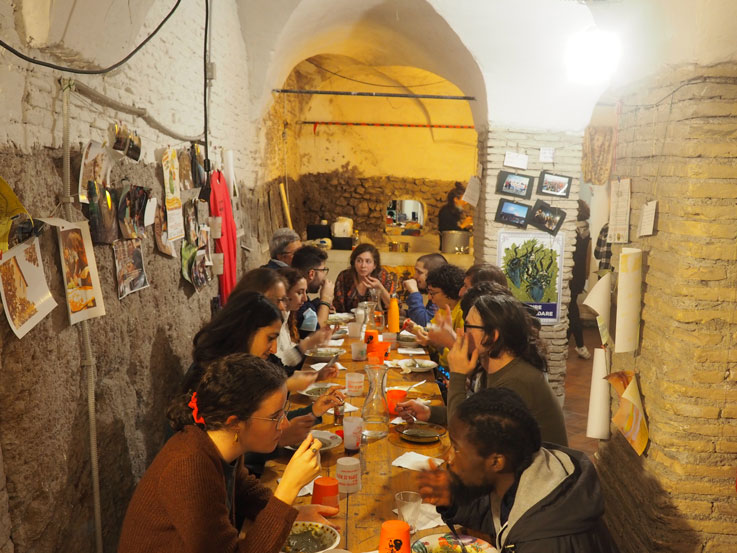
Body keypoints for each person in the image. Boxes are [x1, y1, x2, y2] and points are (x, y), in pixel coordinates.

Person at [118, 354, 337, 553]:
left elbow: (244, 491)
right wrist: (288, 490)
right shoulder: (189, 466)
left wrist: (293, 514)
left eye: (284, 413)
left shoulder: (219, 443)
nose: (284, 424)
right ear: (235, 423)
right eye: (275, 417)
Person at [417, 388, 618, 553]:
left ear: (496, 462)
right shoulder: (520, 475)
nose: (448, 458)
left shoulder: (546, 543)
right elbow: (499, 516)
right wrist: (453, 499)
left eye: (457, 448)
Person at [399, 291, 567, 446]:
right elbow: (476, 417)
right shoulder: (492, 364)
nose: (461, 333)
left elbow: (464, 436)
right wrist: (429, 413)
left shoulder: (516, 380)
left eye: (468, 327)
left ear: (493, 335)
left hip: (536, 474)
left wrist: (458, 374)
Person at [181, 291, 343, 451]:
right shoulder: (214, 377)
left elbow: (262, 422)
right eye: (270, 338)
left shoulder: (242, 368)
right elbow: (229, 453)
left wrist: (313, 412)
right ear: (244, 333)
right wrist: (281, 439)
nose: (273, 349)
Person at [230, 270, 336, 383]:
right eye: (278, 300)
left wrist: (316, 376)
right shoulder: (241, 341)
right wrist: (308, 343)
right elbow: (273, 373)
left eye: (283, 300)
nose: (282, 306)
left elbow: (278, 370)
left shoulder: (282, 318)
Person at [407, 264, 466, 367]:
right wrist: (418, 329)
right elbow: (431, 330)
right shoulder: (444, 309)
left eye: (432, 293)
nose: (429, 298)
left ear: (449, 291)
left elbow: (460, 357)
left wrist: (436, 344)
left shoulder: (463, 313)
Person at [332, 243, 396, 312]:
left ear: (374, 265)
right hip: (349, 321)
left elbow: (393, 306)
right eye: (359, 261)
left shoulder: (383, 276)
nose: (363, 265)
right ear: (354, 262)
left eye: (368, 261)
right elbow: (338, 307)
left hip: (376, 320)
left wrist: (380, 287)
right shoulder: (344, 277)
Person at [291, 245, 334, 333]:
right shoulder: (295, 298)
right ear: (311, 274)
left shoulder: (302, 294)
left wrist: (321, 305)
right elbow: (316, 331)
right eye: (323, 270)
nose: (324, 276)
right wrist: (325, 299)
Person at [569, 200, 592, 359]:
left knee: (571, 310)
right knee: (571, 308)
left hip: (570, 274)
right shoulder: (586, 230)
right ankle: (572, 344)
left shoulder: (572, 229)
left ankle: (580, 345)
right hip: (579, 275)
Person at [402, 253, 447, 326]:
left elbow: (425, 323)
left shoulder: (443, 295)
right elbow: (426, 314)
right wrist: (404, 313)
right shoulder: (434, 291)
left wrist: (414, 293)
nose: (415, 276)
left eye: (419, 272)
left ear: (433, 274)